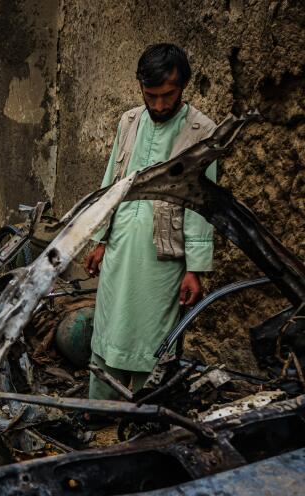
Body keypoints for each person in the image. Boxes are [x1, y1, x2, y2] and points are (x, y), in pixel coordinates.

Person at [84, 43, 217, 400]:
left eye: (168, 95)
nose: (159, 105)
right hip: (121, 241)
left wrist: (196, 268)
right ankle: (99, 408)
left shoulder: (201, 130)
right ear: (140, 87)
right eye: (151, 95)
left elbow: (202, 204)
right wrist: (99, 239)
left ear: (183, 86)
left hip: (164, 255)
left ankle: (143, 411)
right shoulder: (128, 122)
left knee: (153, 335)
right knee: (109, 325)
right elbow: (111, 182)